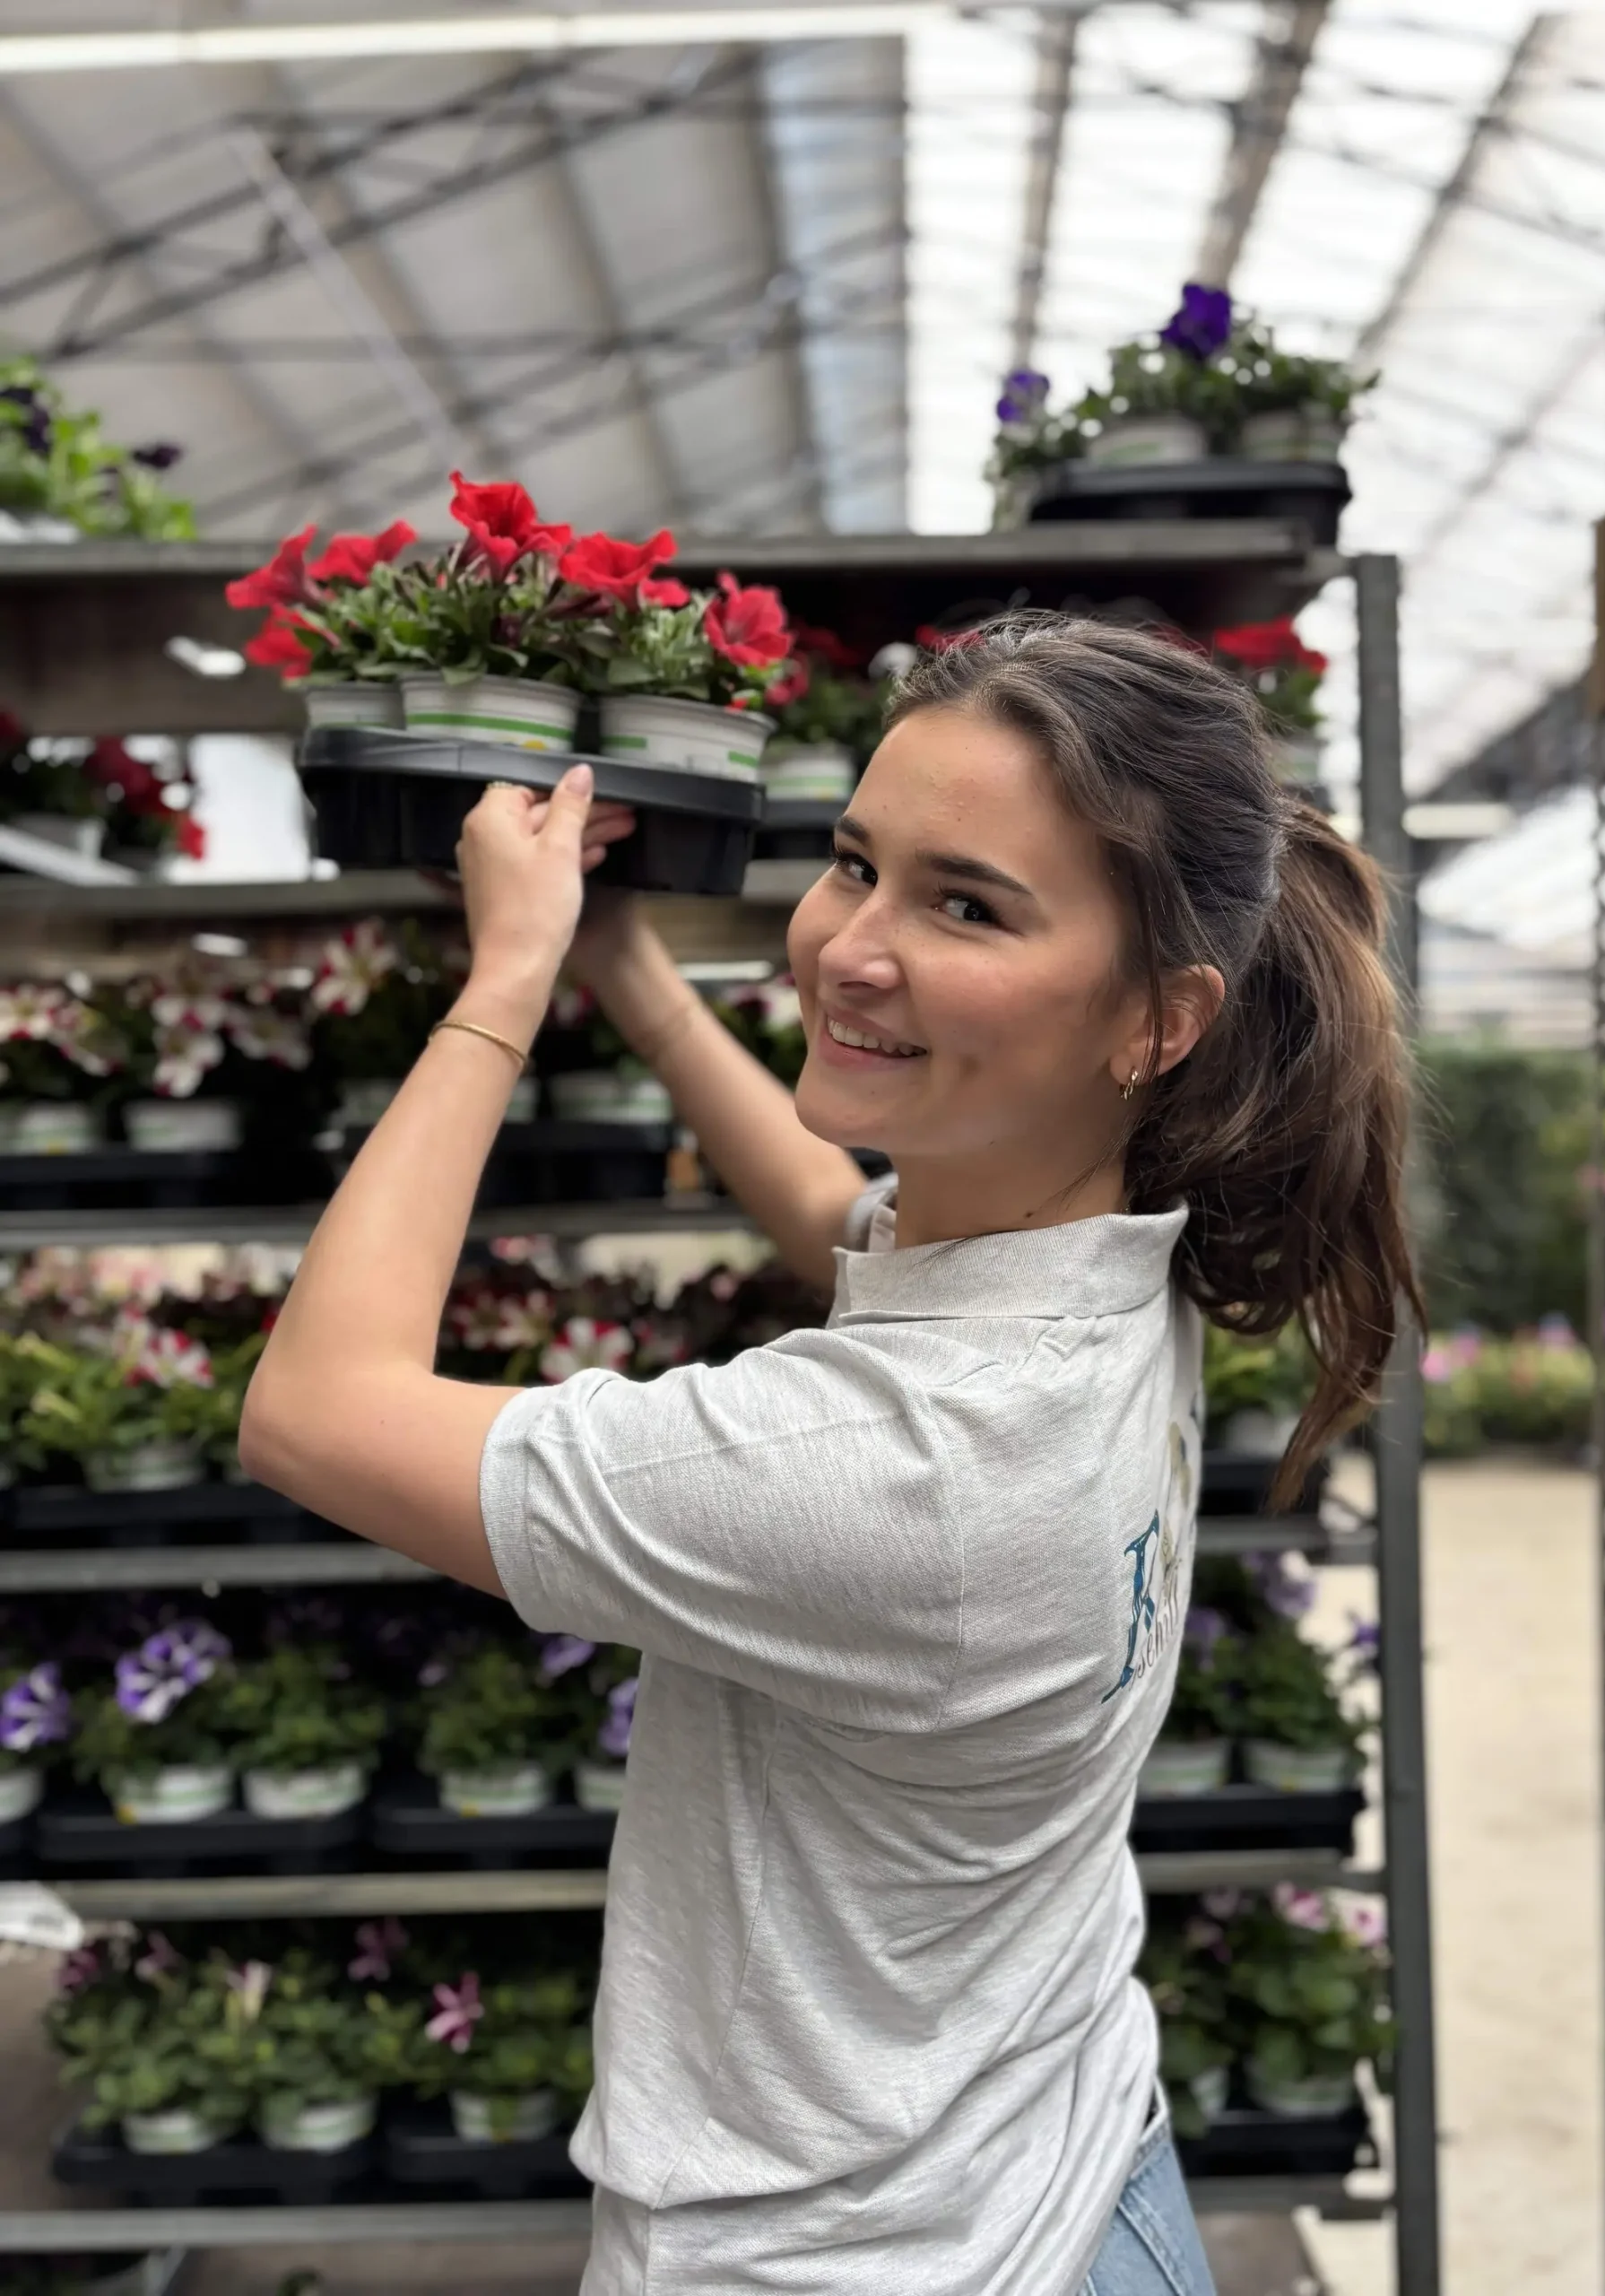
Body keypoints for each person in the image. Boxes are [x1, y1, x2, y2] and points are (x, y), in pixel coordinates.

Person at [241, 614, 1418, 2296]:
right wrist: (626, 963)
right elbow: (829, 1212)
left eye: (968, 907)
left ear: (1161, 1021)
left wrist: (504, 984)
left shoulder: (910, 1470)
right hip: (1070, 2165)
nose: (852, 949)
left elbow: (314, 1411)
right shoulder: (1101, 1260)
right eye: (856, 865)